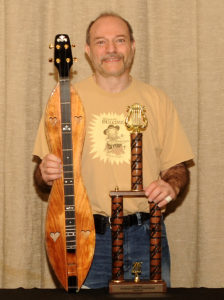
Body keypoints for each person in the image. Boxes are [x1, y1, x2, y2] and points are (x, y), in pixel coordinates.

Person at [33, 12, 194, 289]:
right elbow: (41, 178)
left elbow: (177, 167)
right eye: (101, 42)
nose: (111, 50)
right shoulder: (63, 102)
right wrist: (45, 173)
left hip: (146, 234)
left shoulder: (157, 100)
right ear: (87, 50)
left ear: (132, 45)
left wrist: (171, 186)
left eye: (119, 40)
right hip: (84, 237)